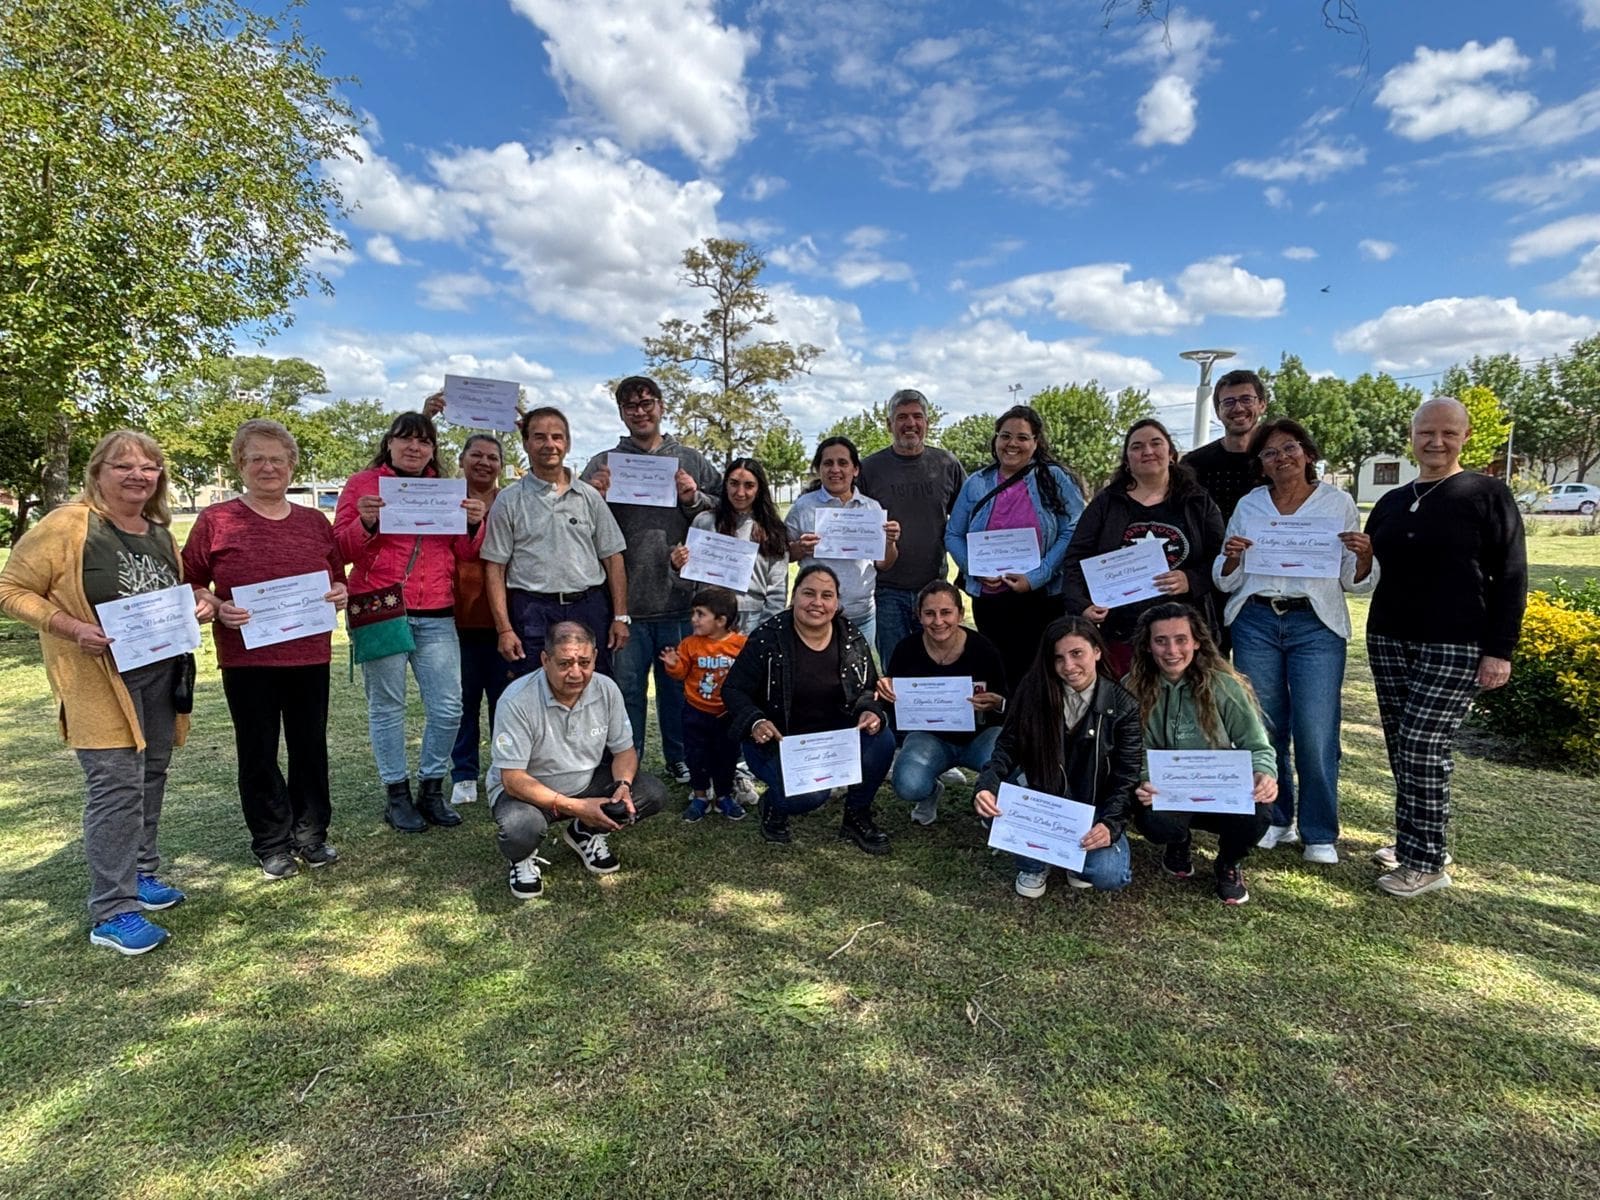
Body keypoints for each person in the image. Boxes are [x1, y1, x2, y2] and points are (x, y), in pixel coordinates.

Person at [0, 430, 217, 954]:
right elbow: (10, 589)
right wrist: (70, 627)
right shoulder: (68, 525)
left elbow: (172, 593)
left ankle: (141, 873)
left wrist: (200, 600)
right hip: (98, 679)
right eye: (124, 466)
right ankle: (112, 909)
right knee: (116, 786)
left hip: (160, 673)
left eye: (149, 467)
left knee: (151, 775)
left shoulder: (159, 531)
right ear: (97, 471)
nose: (138, 475)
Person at [1363, 396, 1527, 899]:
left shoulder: (1486, 493)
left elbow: (1512, 574)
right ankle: (1416, 840)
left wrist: (1499, 650)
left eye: (1448, 433)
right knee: (1401, 745)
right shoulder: (1393, 500)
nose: (1436, 442)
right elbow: (1370, 566)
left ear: (1466, 437)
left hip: (1456, 641)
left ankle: (1427, 862)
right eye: (1426, 433)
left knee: (1423, 746)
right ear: (1411, 437)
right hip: (1389, 636)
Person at [182, 419, 348, 881]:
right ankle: (272, 843)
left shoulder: (315, 522)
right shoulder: (216, 521)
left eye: (277, 459)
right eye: (257, 458)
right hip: (247, 656)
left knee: (309, 746)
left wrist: (339, 590)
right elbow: (190, 579)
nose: (268, 467)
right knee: (257, 750)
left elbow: (338, 575)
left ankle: (311, 834)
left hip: (309, 654)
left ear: (292, 465)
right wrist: (214, 604)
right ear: (241, 464)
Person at [1213, 418, 1376, 865]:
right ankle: (1276, 817)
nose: (1281, 457)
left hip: (1315, 625)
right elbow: (1227, 581)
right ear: (1261, 466)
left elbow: (1351, 580)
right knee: (1264, 726)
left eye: (1289, 448)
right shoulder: (1250, 504)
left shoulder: (1337, 502)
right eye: (1269, 453)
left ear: (1307, 453)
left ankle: (1319, 831)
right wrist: (1230, 559)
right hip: (1257, 621)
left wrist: (1364, 557)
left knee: (1316, 730)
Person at [333, 410, 486, 834]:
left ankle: (431, 789)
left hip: (436, 609)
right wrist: (365, 521)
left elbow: (467, 552)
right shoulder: (363, 485)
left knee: (448, 705)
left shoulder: (445, 490)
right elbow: (339, 550)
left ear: (433, 449)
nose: (414, 448)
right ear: (390, 443)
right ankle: (396, 794)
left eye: (423, 441)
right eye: (406, 439)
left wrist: (475, 523)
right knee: (387, 706)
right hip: (380, 606)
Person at [581, 376, 722, 785]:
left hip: (680, 599)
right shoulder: (604, 462)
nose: (640, 412)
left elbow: (725, 505)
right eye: (630, 406)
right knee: (625, 694)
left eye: (646, 403)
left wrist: (694, 497)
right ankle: (631, 764)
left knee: (678, 691)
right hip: (624, 605)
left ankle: (679, 759)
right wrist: (594, 494)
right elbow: (579, 516)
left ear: (661, 406)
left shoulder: (690, 459)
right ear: (622, 414)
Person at [722, 564, 896, 854]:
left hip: (834, 741)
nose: (817, 602)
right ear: (794, 598)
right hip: (780, 741)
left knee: (882, 741)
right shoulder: (768, 637)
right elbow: (733, 689)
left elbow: (868, 687)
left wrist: (870, 710)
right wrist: (756, 721)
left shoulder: (850, 635)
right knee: (811, 796)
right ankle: (775, 806)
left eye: (827, 595)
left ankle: (856, 815)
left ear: (837, 602)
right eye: (809, 593)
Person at [488, 622, 668, 899]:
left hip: (586, 781)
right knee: (520, 828)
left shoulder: (606, 688)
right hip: (529, 793)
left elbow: (624, 751)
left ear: (595, 656)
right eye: (564, 664)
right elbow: (512, 780)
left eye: (584, 662)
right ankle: (522, 858)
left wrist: (622, 785)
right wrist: (575, 806)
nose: (575, 673)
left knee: (651, 793)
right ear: (545, 660)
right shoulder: (516, 700)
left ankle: (584, 831)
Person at [973, 616, 1141, 898]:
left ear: (1097, 652)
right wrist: (986, 786)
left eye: (1077, 654)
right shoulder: (1032, 691)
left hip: (1093, 807)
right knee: (994, 811)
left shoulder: (1123, 705)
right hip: (1043, 799)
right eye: (1058, 658)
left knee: (1109, 872)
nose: (1069, 666)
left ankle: (1073, 861)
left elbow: (1127, 775)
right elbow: (1007, 747)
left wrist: (1110, 825)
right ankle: (1034, 863)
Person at [1125, 602, 1278, 906]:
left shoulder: (1224, 685)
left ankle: (1229, 862)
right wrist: (1143, 780)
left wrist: (1265, 773)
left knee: (1260, 811)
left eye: (1181, 639)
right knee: (1156, 822)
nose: (1172, 650)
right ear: (1147, 646)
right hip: (1167, 792)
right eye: (1160, 641)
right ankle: (1178, 841)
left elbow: (1256, 743)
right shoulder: (1131, 688)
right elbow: (1131, 750)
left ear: (1196, 641)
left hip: (1219, 791)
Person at [1062, 418, 1225, 678]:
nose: (1147, 451)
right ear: (1127, 461)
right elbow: (1075, 560)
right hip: (1121, 632)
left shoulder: (1196, 501)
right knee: (1128, 708)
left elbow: (1221, 558)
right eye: (1137, 447)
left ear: (1171, 454)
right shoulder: (1106, 503)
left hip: (1181, 635)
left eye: (1155, 443)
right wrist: (1082, 605)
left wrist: (1191, 579)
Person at [945, 405, 1085, 691]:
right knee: (1000, 674)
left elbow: (1074, 528)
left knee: (1041, 675)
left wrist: (1037, 576)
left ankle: (1039, 733)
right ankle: (1004, 731)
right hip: (990, 599)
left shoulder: (1054, 478)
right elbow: (953, 533)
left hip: (1042, 597)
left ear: (1036, 442)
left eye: (1022, 437)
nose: (1012, 444)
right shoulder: (977, 482)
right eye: (1005, 436)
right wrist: (975, 568)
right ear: (995, 439)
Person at [484, 408, 627, 682]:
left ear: (568, 443)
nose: (549, 444)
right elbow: (495, 567)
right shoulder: (509, 500)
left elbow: (613, 557)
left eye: (557, 437)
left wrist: (621, 616)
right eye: (539, 437)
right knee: (533, 690)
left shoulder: (589, 497)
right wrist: (504, 629)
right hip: (532, 612)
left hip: (588, 607)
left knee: (592, 688)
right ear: (526, 443)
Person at [877, 581, 1007, 826]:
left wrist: (998, 703)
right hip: (929, 739)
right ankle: (929, 793)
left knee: (1011, 769)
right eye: (929, 613)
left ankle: (987, 804)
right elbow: (895, 705)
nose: (938, 621)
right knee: (908, 783)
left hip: (980, 737)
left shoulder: (984, 649)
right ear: (919, 616)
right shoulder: (906, 650)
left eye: (946, 612)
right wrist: (886, 692)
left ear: (960, 613)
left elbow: (1008, 700)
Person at [858, 388, 966, 666]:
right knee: (895, 667)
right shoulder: (869, 469)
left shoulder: (946, 464)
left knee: (939, 664)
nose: (910, 424)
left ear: (927, 423)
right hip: (886, 590)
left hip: (934, 588)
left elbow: (969, 518)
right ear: (889, 424)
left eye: (917, 416)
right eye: (902, 417)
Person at [441, 432, 510, 807]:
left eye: (492, 457)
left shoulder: (509, 502)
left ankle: (502, 769)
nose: (484, 462)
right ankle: (464, 772)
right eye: (476, 455)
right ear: (462, 459)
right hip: (455, 619)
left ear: (501, 465)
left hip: (504, 620)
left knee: (506, 701)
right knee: (462, 702)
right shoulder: (443, 502)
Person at [785, 436, 901, 651]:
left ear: (855, 470)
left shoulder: (872, 509)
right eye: (828, 463)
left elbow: (884, 564)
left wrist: (890, 543)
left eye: (843, 463)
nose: (835, 469)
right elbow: (782, 554)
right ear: (819, 469)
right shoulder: (804, 507)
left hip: (861, 615)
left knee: (857, 679)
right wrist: (800, 549)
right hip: (814, 613)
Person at [669, 457, 788, 634]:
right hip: (708, 617)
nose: (740, 492)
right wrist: (677, 567)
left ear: (759, 489)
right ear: (725, 485)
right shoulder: (705, 522)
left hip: (752, 619)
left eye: (749, 485)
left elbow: (777, 589)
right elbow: (687, 584)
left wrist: (766, 629)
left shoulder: (772, 530)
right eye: (734, 483)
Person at [660, 587, 748, 822]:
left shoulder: (740, 644)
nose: (693, 619)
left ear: (721, 620)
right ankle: (699, 797)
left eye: (700, 614)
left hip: (727, 714)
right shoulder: (689, 644)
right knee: (696, 756)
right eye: (693, 613)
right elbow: (681, 674)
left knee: (726, 757)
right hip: (696, 713)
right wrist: (672, 665)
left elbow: (749, 675)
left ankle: (724, 797)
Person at [1184, 369, 1270, 523]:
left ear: (1262, 405)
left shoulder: (1278, 461)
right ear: (1218, 412)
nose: (1238, 408)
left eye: (1246, 399)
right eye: (1228, 402)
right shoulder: (1192, 465)